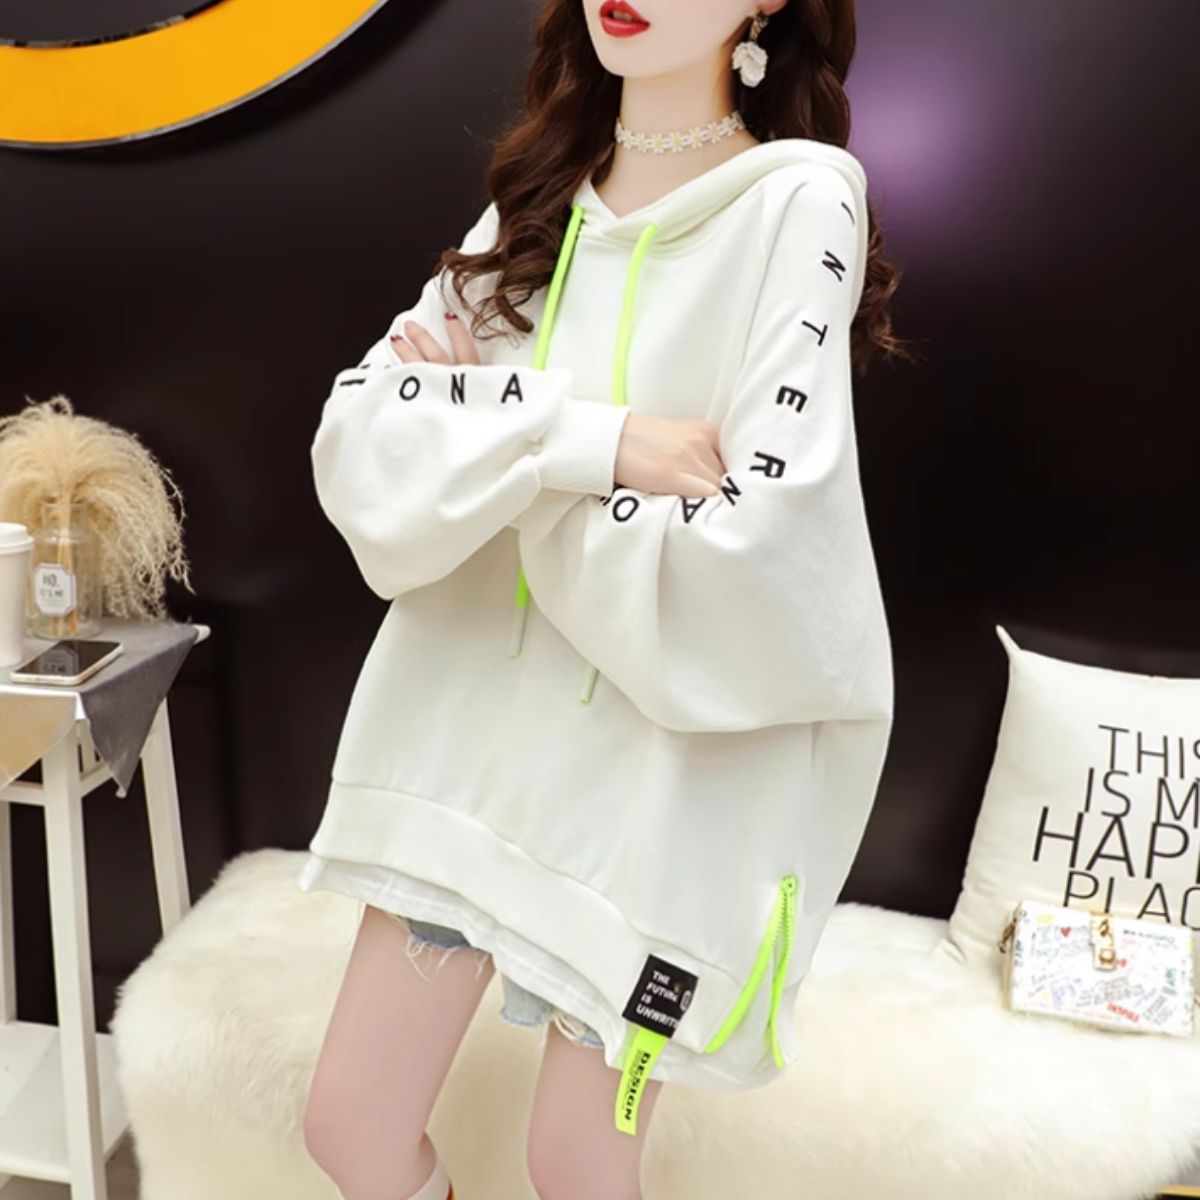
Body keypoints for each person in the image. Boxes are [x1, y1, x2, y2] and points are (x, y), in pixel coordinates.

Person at [300, 1, 911, 1197]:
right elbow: (361, 454)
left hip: (661, 799)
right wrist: (601, 444)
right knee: (350, 1129)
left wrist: (490, 460)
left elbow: (754, 552)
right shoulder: (531, 205)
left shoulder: (801, 203)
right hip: (459, 760)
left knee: (577, 1163)